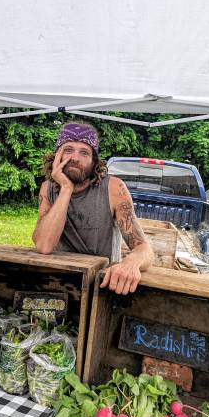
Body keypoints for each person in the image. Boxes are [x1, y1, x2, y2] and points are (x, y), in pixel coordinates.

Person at [32, 121, 154, 295]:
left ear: (94, 160)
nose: (75, 158)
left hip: (102, 284)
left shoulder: (114, 188)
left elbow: (144, 248)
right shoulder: (48, 188)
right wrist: (66, 188)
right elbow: (44, 246)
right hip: (58, 282)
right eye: (68, 150)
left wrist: (130, 263)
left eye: (84, 152)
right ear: (56, 156)